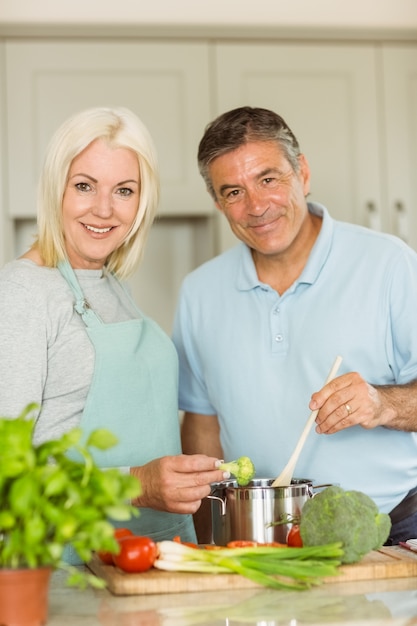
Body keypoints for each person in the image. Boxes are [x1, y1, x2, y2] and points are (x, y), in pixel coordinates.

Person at [172, 105, 417, 545]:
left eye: (269, 179)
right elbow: (202, 425)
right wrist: (209, 540)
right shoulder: (198, 292)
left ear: (302, 173)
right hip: (259, 537)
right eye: (234, 192)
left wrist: (383, 404)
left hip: (394, 526)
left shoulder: (390, 264)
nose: (256, 206)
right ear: (218, 203)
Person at [0, 106, 228, 558]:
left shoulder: (113, 285)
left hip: (161, 553)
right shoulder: (23, 292)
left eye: (124, 190)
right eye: (84, 186)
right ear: (55, 189)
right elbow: (9, 478)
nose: (103, 209)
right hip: (74, 567)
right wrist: (137, 485)